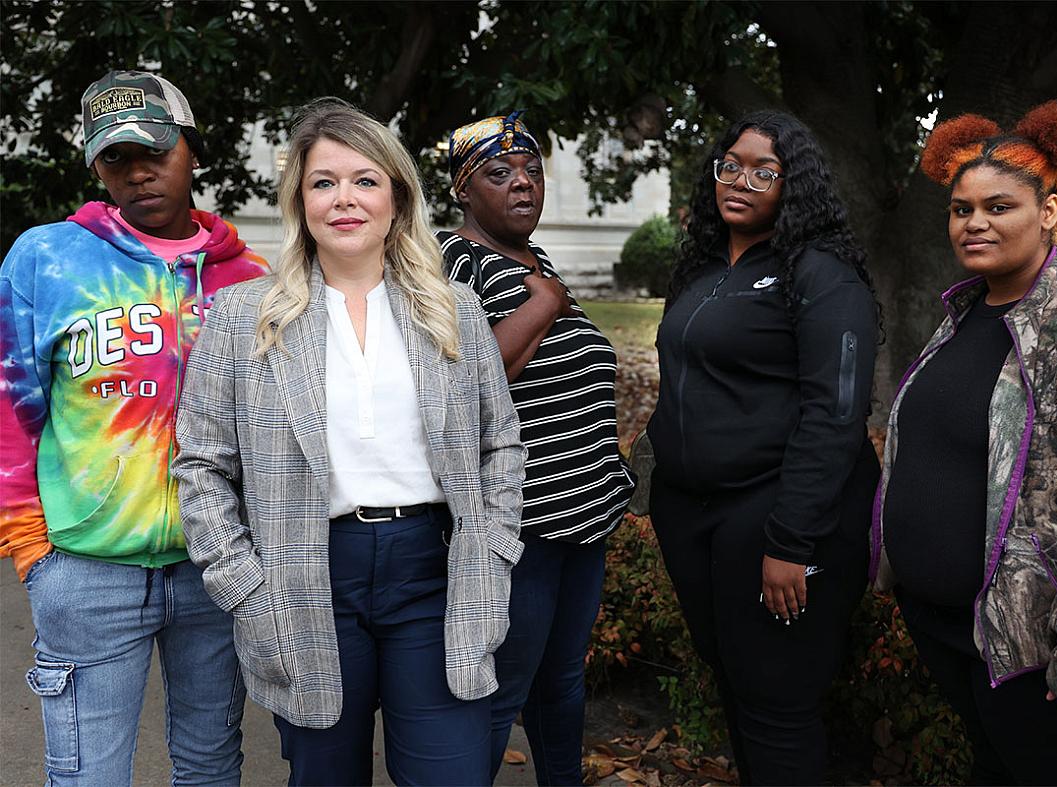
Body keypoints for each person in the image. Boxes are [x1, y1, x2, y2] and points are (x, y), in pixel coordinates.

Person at [173, 98, 526, 787]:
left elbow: (501, 445)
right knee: (325, 773)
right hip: (304, 577)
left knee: (452, 772)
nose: (345, 199)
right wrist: (245, 585)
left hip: (434, 573)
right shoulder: (247, 315)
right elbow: (200, 466)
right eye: (323, 182)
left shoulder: (453, 309)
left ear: (396, 197)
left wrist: (496, 547)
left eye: (365, 180)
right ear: (300, 199)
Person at [872, 100, 1057, 785]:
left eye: (999, 206)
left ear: (1048, 211)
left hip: (1051, 649)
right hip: (963, 629)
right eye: (961, 208)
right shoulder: (964, 313)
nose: (975, 221)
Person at [0, 70, 268, 785]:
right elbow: (11, 407)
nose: (138, 170)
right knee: (88, 776)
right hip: (87, 570)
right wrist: (32, 549)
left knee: (211, 770)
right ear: (95, 167)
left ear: (192, 150)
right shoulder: (45, 259)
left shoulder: (252, 280)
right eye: (115, 157)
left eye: (155, 149)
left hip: (217, 570)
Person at [645, 110, 880, 785]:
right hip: (697, 516)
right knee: (737, 688)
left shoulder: (821, 272)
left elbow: (835, 413)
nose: (740, 180)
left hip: (778, 519)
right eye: (730, 164)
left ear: (793, 184)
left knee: (778, 701)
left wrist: (792, 540)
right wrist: (646, 479)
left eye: (763, 171)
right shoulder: (703, 267)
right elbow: (684, 387)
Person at [437, 111, 635, 785]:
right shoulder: (456, 261)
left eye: (531, 171)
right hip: (519, 528)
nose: (522, 184)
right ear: (463, 190)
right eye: (499, 174)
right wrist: (544, 306)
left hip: (579, 521)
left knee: (561, 685)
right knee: (501, 692)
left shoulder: (534, 260)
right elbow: (459, 385)